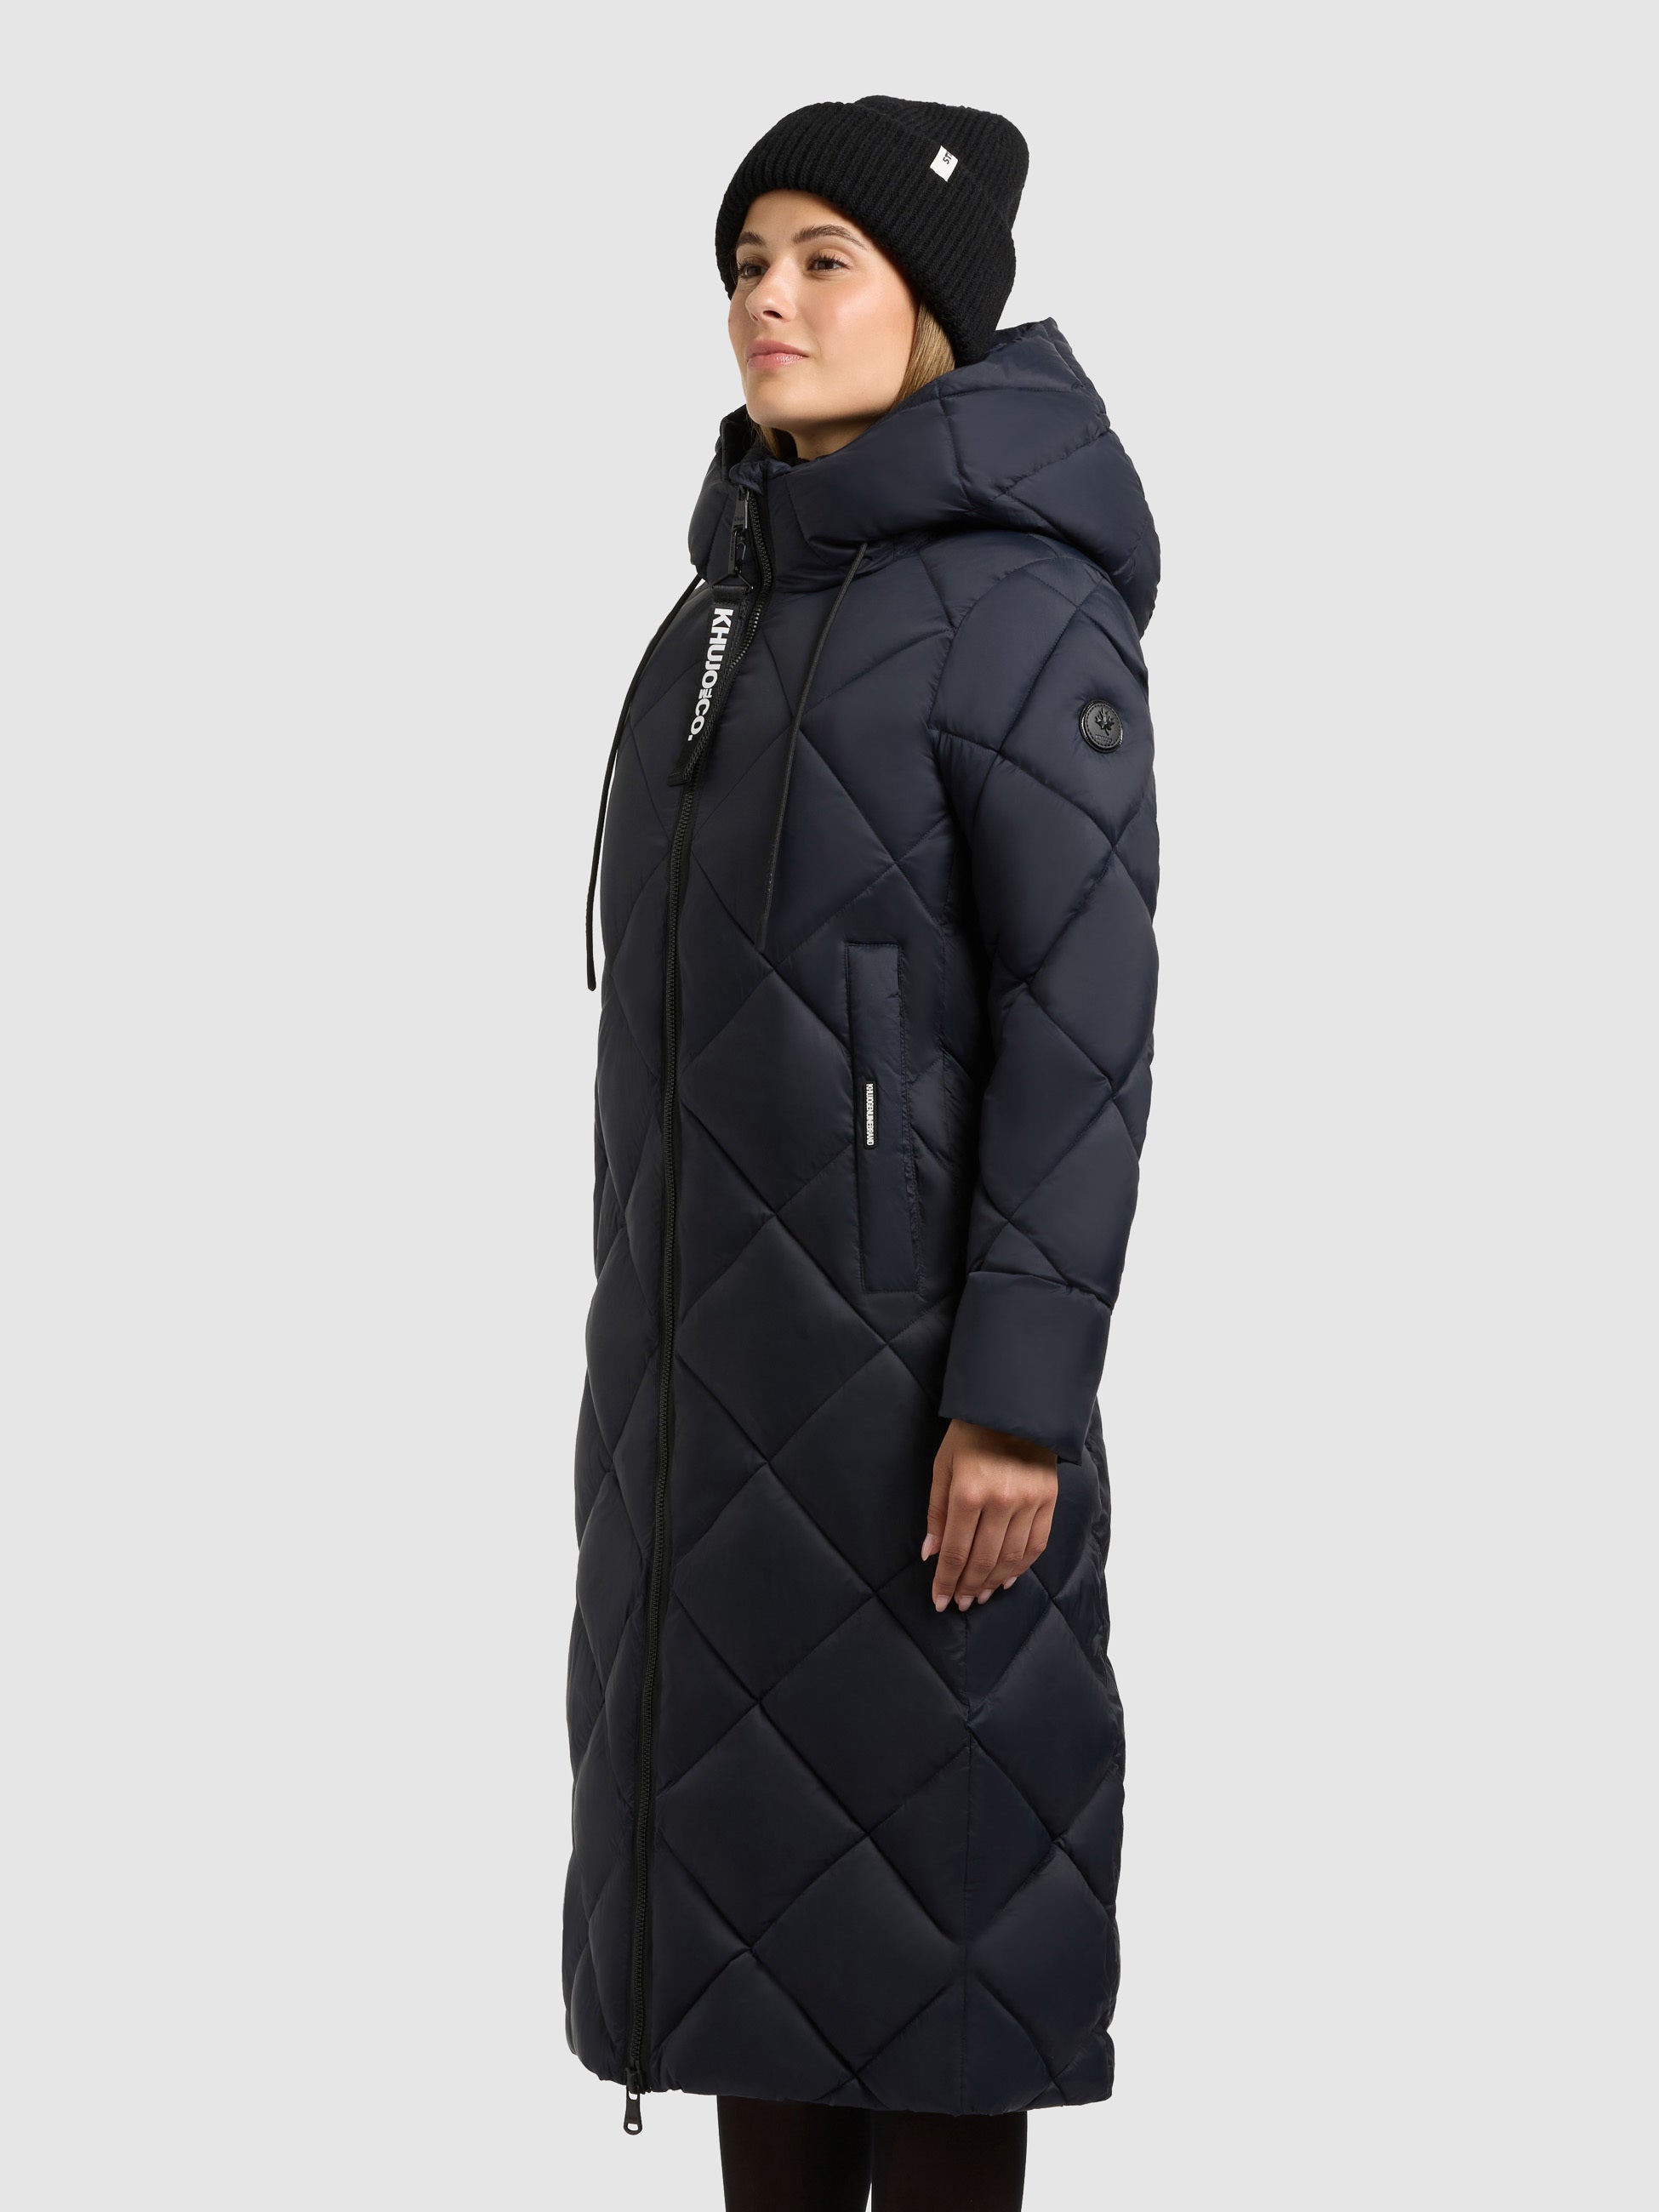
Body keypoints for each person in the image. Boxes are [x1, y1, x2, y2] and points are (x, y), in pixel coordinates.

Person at [565, 95, 1161, 2212]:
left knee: (948, 1933)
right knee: (756, 1933)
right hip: (707, 1408)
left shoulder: (1020, 612)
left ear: (936, 305)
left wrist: (1017, 1395)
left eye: (826, 259)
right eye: (749, 261)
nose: (769, 299)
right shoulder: (718, 616)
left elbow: (1083, 1027)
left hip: (920, 1412)